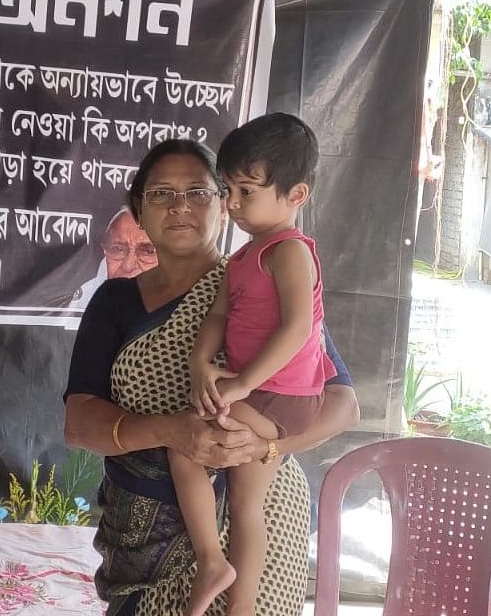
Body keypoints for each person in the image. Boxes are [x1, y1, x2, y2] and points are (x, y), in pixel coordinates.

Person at [62, 138, 360, 616]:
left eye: (199, 192)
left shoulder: (265, 283)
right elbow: (79, 423)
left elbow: (342, 404)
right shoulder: (115, 302)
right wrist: (171, 431)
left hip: (258, 516)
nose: (180, 206)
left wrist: (263, 448)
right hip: (144, 530)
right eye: (160, 193)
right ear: (138, 210)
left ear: (225, 206)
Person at [176, 114, 335, 616]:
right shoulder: (243, 256)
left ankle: (212, 563)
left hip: (285, 399)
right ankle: (238, 606)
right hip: (258, 394)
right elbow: (220, 316)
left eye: (247, 191)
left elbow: (298, 329)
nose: (233, 204)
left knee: (186, 445)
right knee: (245, 504)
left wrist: (242, 382)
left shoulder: (289, 252)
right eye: (228, 189)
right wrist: (203, 361)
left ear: (296, 196)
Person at [70, 208, 160, 309]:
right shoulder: (80, 302)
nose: (127, 266)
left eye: (148, 251)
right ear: (104, 250)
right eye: (118, 249)